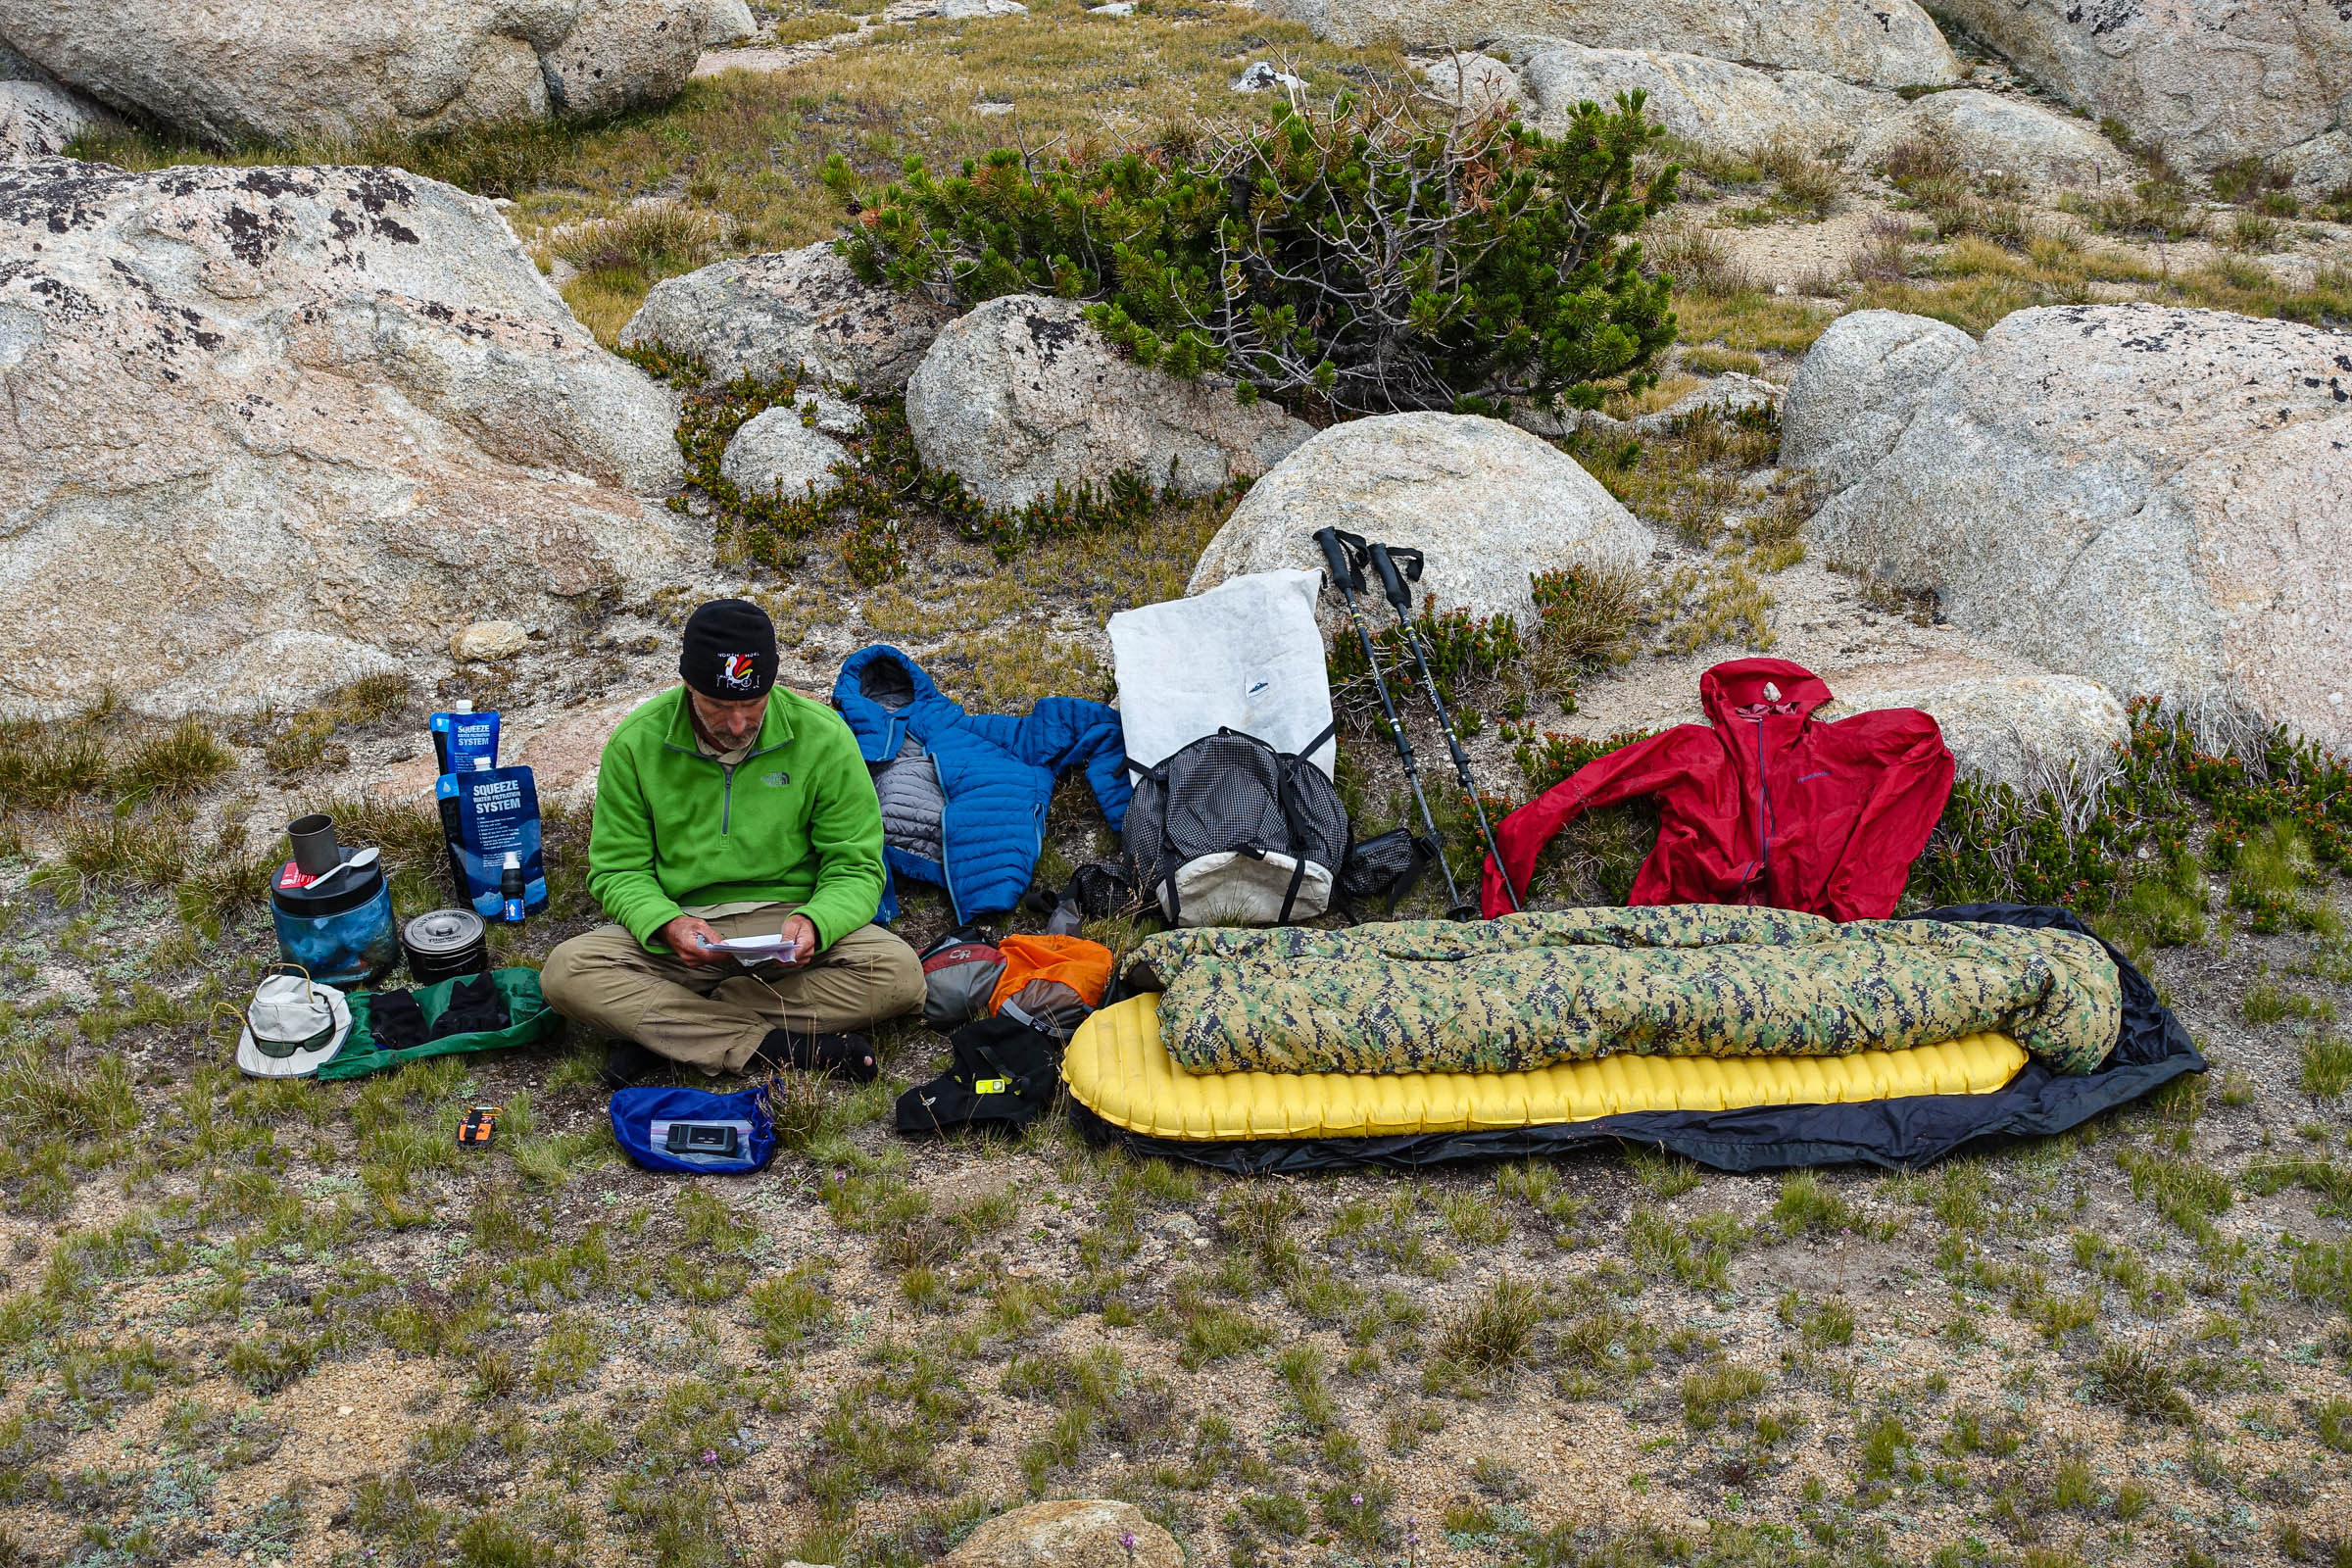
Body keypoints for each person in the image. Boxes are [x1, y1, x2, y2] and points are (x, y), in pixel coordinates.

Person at [541, 598, 923, 1086]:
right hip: (684, 936)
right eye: (719, 706)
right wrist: (666, 924)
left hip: (787, 930)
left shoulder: (824, 738)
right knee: (566, 972)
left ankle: (670, 1032)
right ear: (688, 685)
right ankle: (775, 1046)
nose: (738, 724)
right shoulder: (636, 743)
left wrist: (816, 921)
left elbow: (857, 867)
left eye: (752, 704)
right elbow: (618, 871)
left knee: (899, 974)